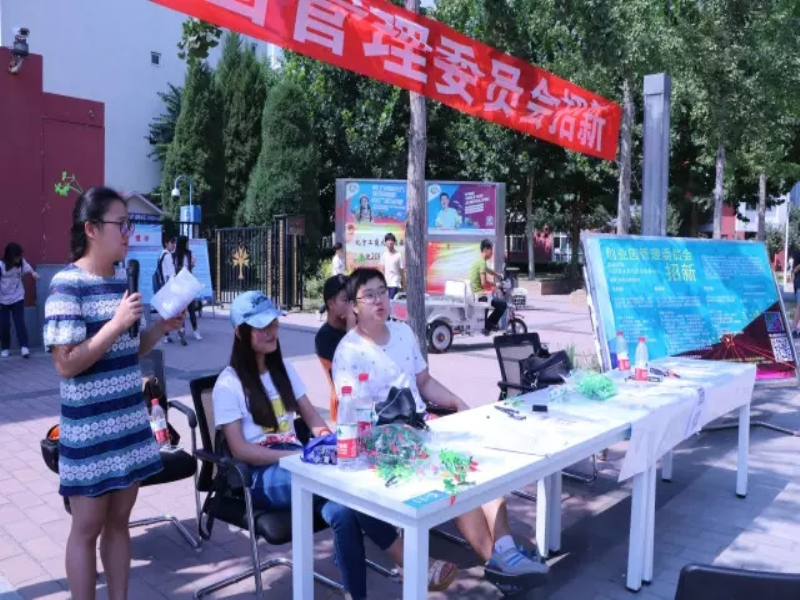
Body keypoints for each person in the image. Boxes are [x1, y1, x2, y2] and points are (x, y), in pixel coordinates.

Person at [212, 291, 457, 599]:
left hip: (299, 462)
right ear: (240, 333)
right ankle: (411, 561)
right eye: (262, 327)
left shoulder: (283, 370)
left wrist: (331, 443)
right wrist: (295, 457)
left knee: (342, 511)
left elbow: (313, 418)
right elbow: (239, 450)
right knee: (349, 490)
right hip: (262, 475)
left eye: (273, 324)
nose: (271, 332)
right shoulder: (229, 384)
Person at [332, 268, 549, 595]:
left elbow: (424, 382)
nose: (379, 300)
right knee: (455, 481)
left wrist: (458, 403)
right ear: (354, 306)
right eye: (369, 295)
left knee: (481, 468)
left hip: (423, 432)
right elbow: (355, 417)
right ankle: (499, 561)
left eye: (382, 292)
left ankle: (505, 553)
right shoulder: (348, 352)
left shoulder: (403, 332)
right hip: (387, 448)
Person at [43, 187, 184, 600]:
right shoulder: (66, 285)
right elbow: (66, 363)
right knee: (86, 528)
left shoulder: (122, 280)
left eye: (129, 224)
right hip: (89, 430)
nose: (128, 233)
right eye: (120, 224)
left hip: (128, 424)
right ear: (91, 229)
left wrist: (160, 328)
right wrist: (116, 323)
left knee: (119, 523)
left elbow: (128, 353)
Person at [315, 274, 355, 422]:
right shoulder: (324, 337)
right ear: (331, 303)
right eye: (346, 300)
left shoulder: (358, 326)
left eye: (353, 300)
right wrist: (351, 325)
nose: (351, 306)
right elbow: (348, 370)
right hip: (343, 408)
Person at [0, 242, 40, 358]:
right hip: (3, 299)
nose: (18, 259)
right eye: (16, 257)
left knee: (20, 323)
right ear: (10, 256)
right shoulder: (1, 265)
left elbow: (29, 269)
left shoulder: (21, 263)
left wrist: (34, 274)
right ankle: (5, 348)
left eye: (19, 256)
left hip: (18, 297)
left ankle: (24, 347)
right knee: (4, 325)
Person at [469, 239, 507, 333]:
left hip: (476, 293)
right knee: (503, 304)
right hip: (479, 295)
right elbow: (484, 283)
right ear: (485, 249)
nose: (492, 253)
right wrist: (495, 285)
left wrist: (498, 275)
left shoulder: (479, 261)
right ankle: (489, 324)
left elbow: (488, 270)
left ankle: (487, 324)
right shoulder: (482, 262)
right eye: (491, 250)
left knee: (493, 297)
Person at [173, 235, 201, 345]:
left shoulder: (189, 254)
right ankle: (182, 330)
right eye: (187, 242)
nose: (188, 244)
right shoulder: (175, 255)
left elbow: (192, 265)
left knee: (191, 308)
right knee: (181, 309)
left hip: (188, 284)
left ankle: (195, 330)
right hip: (179, 285)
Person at [318, 243, 346, 321]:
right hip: (336, 281)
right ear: (337, 250)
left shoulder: (340, 259)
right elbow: (338, 271)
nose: (342, 250)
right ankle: (320, 312)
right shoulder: (336, 259)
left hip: (340, 281)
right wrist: (343, 278)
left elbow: (342, 270)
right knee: (332, 299)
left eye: (341, 249)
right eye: (340, 249)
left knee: (335, 299)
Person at [159, 237, 177, 344]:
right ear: (166, 243)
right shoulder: (168, 255)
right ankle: (180, 331)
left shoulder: (161, 254)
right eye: (172, 242)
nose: (174, 245)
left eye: (174, 242)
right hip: (169, 287)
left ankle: (166, 334)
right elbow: (171, 273)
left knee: (166, 312)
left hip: (163, 286)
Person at [379, 233, 404, 299]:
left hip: (395, 283)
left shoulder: (398, 255)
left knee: (391, 301)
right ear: (385, 242)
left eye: (392, 240)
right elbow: (382, 270)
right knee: (386, 301)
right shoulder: (384, 255)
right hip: (386, 283)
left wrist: (404, 284)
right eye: (388, 240)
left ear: (394, 242)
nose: (390, 242)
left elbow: (401, 271)